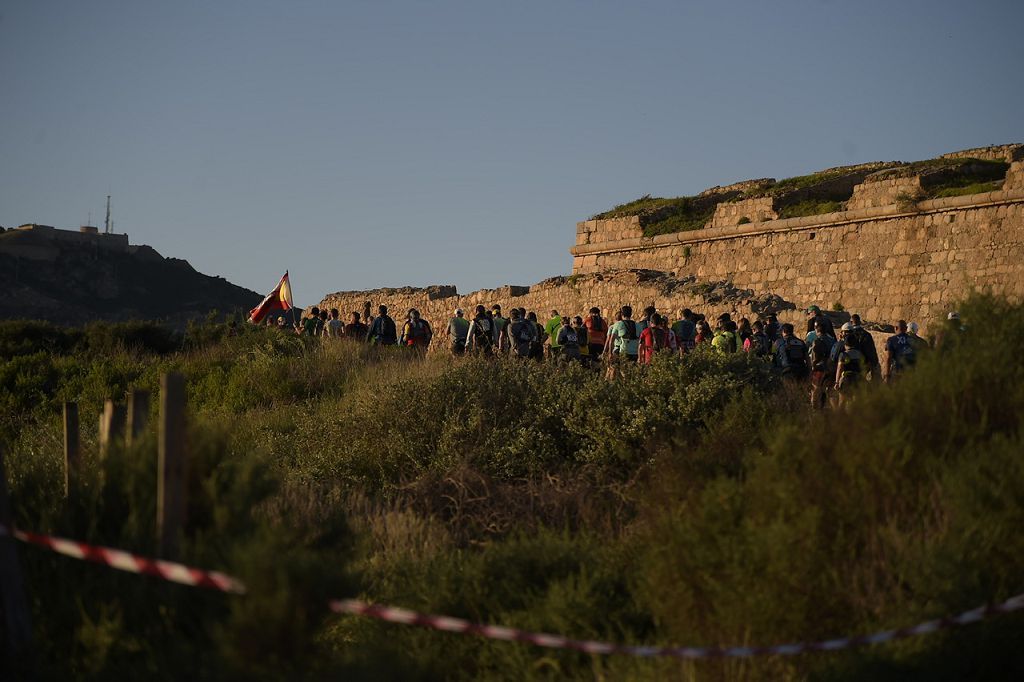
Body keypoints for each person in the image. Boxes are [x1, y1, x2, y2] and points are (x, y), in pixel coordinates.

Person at [834, 323, 864, 407]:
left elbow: (839, 368)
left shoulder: (843, 354)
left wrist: (837, 382)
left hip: (846, 379)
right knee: (855, 403)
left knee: (842, 402)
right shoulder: (859, 353)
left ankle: (840, 418)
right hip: (858, 379)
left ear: (845, 344)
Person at [809, 320, 835, 409]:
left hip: (819, 369)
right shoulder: (832, 340)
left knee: (815, 391)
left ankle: (815, 410)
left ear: (817, 330)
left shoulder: (817, 341)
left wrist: (812, 368)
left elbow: (815, 358)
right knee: (828, 391)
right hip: (831, 368)